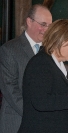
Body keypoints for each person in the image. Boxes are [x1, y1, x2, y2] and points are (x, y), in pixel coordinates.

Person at [17, 19, 68, 133]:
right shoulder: (41, 63)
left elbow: (59, 99)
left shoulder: (58, 63)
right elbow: (41, 102)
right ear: (59, 40)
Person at [0, 4, 52, 133]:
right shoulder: (9, 50)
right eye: (43, 24)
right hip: (17, 120)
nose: (47, 30)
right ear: (29, 21)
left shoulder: (50, 51)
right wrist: (34, 113)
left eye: (50, 26)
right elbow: (10, 89)